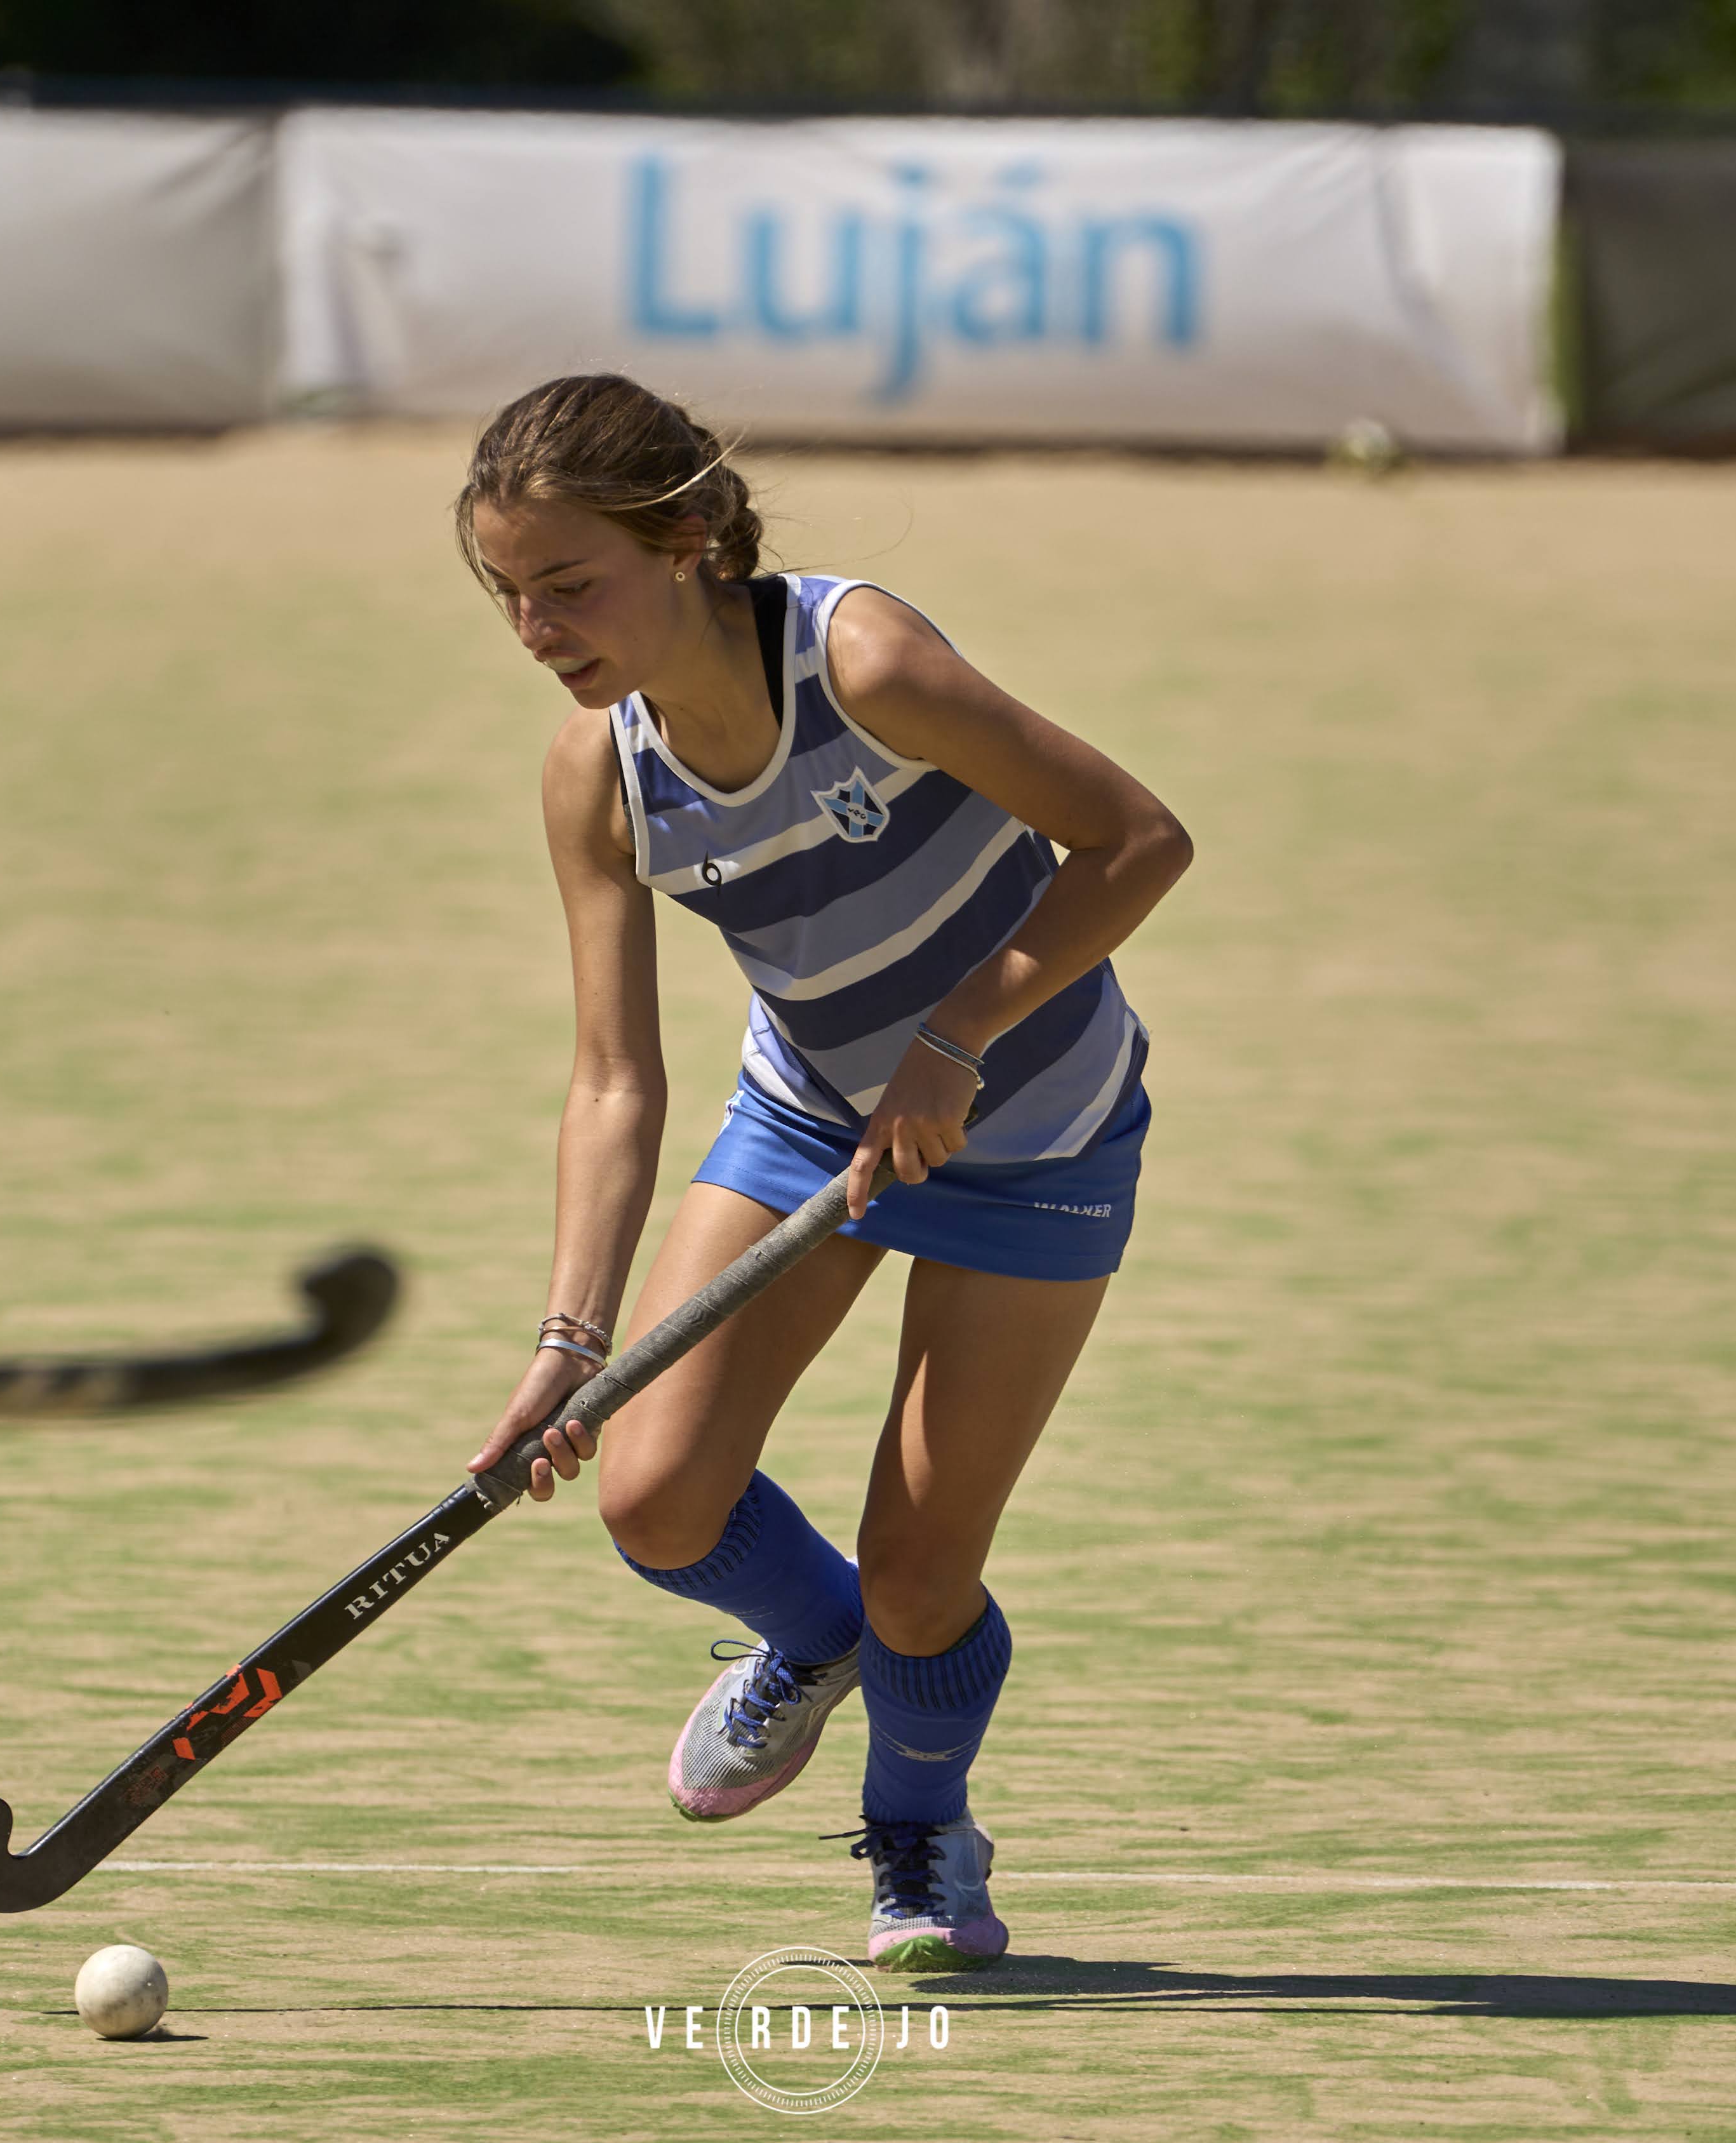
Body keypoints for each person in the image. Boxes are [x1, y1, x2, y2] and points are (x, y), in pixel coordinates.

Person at [457, 375, 1190, 1972]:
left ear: (694, 539)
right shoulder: (601, 770)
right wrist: (567, 1342)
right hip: (810, 1114)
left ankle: (922, 1826)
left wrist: (962, 1032)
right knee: (652, 1496)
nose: (536, 626)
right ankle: (818, 1630)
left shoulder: (863, 663)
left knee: (930, 1572)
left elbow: (1137, 839)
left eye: (568, 584)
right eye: (508, 593)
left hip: (1038, 1129)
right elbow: (613, 1077)